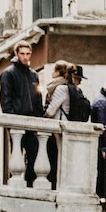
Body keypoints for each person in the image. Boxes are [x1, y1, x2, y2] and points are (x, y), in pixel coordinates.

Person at [0, 41, 44, 185]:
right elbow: (5, 99)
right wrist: (11, 117)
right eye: (22, 54)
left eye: (28, 54)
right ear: (16, 54)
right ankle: (17, 182)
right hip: (17, 121)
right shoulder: (8, 74)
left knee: (34, 154)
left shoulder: (33, 75)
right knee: (17, 153)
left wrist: (38, 117)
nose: (25, 57)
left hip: (31, 121)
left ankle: (29, 184)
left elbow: (38, 98)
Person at [42, 59, 72, 187]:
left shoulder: (60, 88)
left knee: (57, 156)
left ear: (58, 72)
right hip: (59, 125)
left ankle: (57, 183)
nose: (52, 73)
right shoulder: (63, 86)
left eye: (54, 70)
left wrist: (44, 115)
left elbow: (52, 109)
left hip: (59, 125)